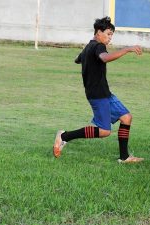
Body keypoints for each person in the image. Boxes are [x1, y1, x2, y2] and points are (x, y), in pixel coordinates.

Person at [53, 16, 144, 163]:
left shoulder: (89, 46)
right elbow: (104, 58)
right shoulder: (98, 47)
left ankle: (124, 157)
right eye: (108, 34)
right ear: (98, 32)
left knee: (126, 118)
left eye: (111, 35)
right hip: (97, 94)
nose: (110, 38)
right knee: (104, 131)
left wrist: (83, 59)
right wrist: (127, 49)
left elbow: (77, 59)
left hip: (105, 93)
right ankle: (64, 136)